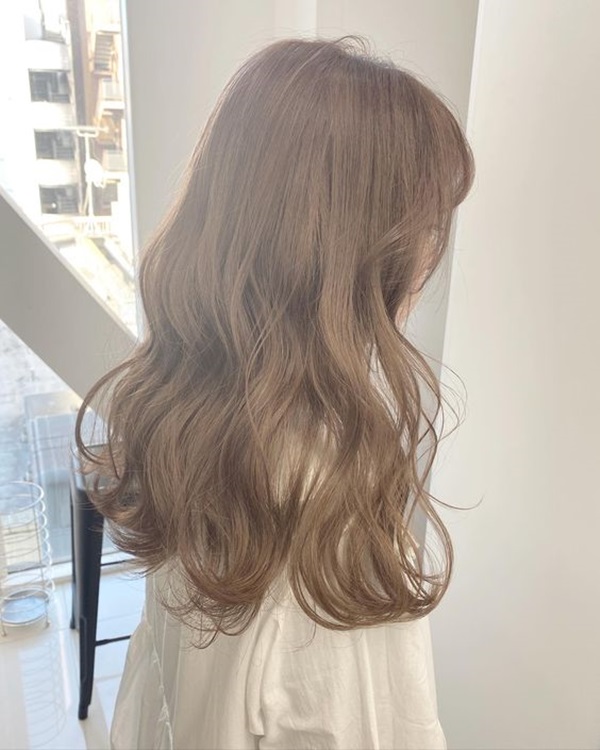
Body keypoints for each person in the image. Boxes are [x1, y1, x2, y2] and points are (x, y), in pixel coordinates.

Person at [75, 34, 474, 750]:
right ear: (358, 251)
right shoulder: (329, 515)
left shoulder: (186, 417)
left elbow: (155, 687)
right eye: (426, 225)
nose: (429, 258)